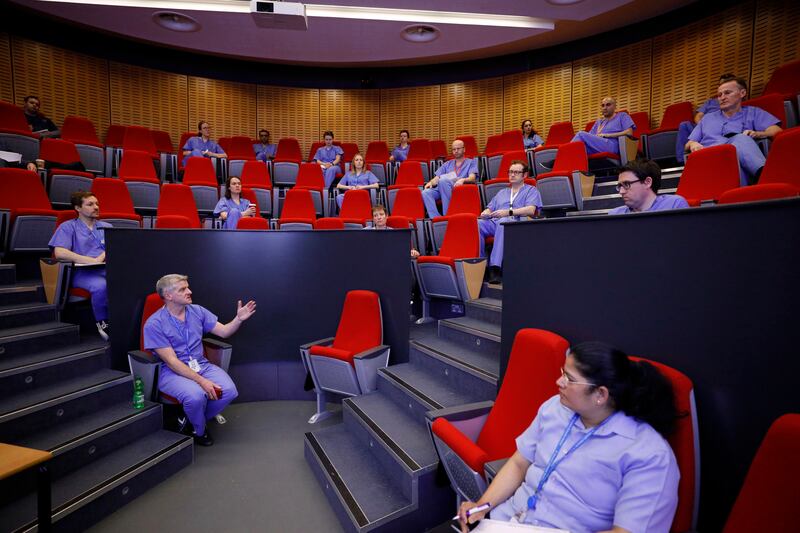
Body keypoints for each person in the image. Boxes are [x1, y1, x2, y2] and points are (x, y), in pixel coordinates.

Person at [458, 342, 680, 533]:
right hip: (506, 520)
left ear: (600, 394)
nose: (559, 382)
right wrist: (482, 506)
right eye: (562, 372)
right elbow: (518, 463)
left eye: (569, 378)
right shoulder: (555, 408)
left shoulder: (648, 453)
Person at [143, 274, 256, 446]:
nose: (189, 291)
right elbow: (172, 362)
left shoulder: (197, 311)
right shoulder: (154, 324)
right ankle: (199, 431)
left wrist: (238, 319)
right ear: (168, 295)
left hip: (200, 364)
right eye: (182, 289)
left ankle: (190, 421)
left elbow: (224, 331)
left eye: (188, 287)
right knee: (196, 396)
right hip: (171, 371)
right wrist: (202, 381)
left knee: (229, 391)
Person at [686, 77, 782, 185]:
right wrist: (693, 143)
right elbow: (689, 143)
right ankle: (766, 178)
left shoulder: (753, 112)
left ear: (742, 93)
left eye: (727, 93)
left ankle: (762, 178)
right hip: (710, 157)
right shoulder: (707, 118)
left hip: (735, 157)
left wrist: (758, 133)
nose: (722, 98)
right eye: (719, 95)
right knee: (738, 146)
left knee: (740, 142)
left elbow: (776, 130)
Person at [48, 191, 111, 340]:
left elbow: (115, 246)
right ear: (78, 208)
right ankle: (103, 323)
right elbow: (59, 252)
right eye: (90, 204)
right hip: (81, 273)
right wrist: (90, 260)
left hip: (106, 268)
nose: (96, 207)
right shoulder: (68, 227)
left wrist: (101, 256)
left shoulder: (106, 226)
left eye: (97, 203)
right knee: (101, 286)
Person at [478, 160, 541, 283]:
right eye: (510, 172)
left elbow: (531, 210)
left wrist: (508, 212)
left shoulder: (531, 190)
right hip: (495, 222)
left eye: (516, 172)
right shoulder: (502, 192)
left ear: (524, 175)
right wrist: (485, 212)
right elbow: (490, 208)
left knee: (504, 221)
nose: (512, 174)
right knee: (477, 224)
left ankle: (495, 267)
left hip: (517, 223)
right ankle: (480, 264)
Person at [675, 74, 737, 163]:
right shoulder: (710, 102)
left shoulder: (734, 100)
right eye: (720, 85)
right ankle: (682, 161)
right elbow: (698, 116)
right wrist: (703, 126)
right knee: (684, 125)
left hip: (721, 127)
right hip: (703, 125)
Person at [422, 139, 478, 218]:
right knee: (426, 193)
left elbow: (472, 178)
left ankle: (447, 215)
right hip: (444, 188)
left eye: (458, 149)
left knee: (443, 181)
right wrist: (431, 182)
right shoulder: (447, 164)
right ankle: (435, 218)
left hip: (460, 188)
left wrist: (463, 180)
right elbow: (436, 178)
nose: (456, 151)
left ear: (464, 149)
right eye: (454, 149)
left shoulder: (471, 162)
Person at [608, 159, 689, 214]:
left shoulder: (674, 205)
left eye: (626, 184)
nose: (621, 191)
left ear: (647, 182)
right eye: (620, 186)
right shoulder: (615, 214)